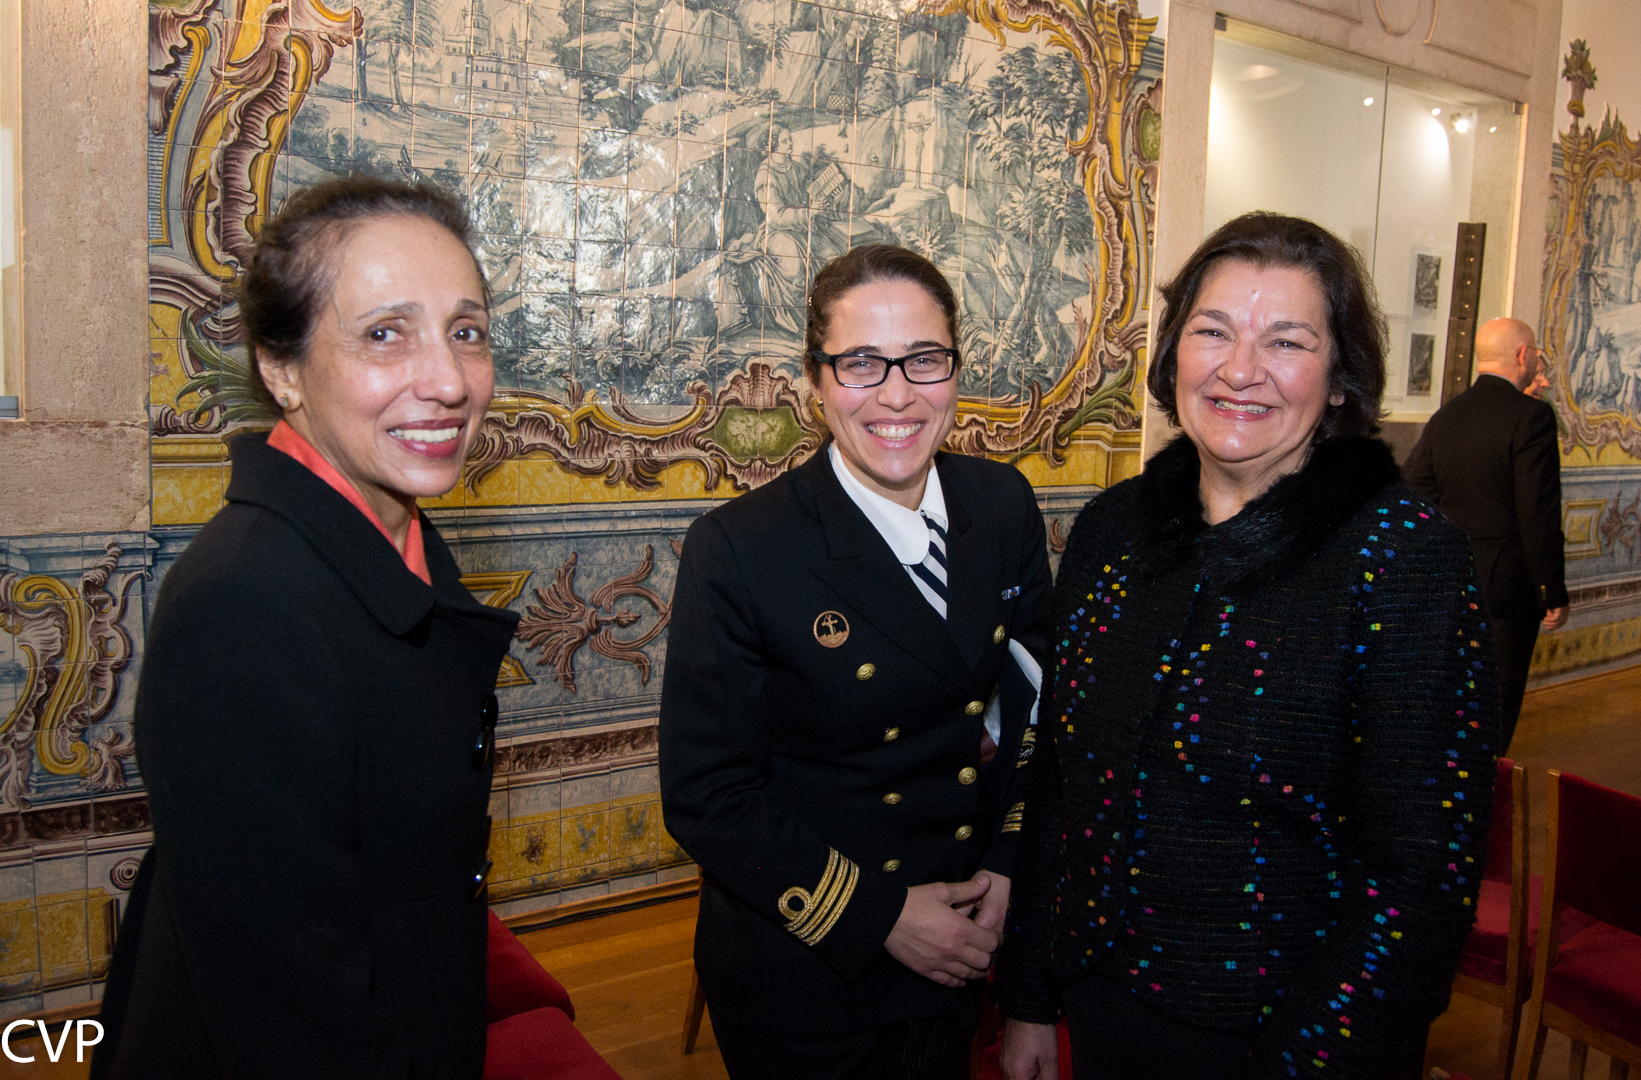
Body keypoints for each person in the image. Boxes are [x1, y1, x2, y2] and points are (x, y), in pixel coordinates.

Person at [996, 213, 1500, 1080]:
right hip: (1104, 1002)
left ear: (1339, 379)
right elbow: (1059, 780)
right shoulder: (1111, 531)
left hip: (1296, 1034)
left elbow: (1419, 878)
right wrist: (1028, 995)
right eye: (1212, 332)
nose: (1239, 369)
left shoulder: (1405, 560)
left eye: (1286, 342)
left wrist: (1313, 1056)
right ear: (1172, 355)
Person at [93, 178, 520, 1079]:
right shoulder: (243, 605)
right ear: (281, 370)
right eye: (384, 334)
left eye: (467, 332)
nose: (449, 382)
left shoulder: (391, 531)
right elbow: (289, 1007)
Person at [659, 244, 1052, 1079]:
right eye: (861, 362)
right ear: (814, 380)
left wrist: (1007, 865)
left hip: (962, 938)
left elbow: (1037, 709)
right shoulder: (740, 548)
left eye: (924, 359)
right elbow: (707, 796)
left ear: (956, 369)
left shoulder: (1001, 505)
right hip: (809, 975)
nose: (897, 394)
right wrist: (879, 917)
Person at [1405, 317, 1569, 750]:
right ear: (1522, 355)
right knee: (1493, 710)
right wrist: (1551, 589)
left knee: (1448, 703)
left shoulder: (1447, 416)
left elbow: (1414, 494)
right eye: (1536, 354)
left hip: (1448, 582)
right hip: (1507, 591)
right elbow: (1538, 512)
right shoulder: (1532, 417)